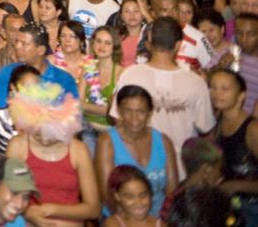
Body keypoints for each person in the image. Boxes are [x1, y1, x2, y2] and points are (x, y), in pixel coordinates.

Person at [111, 17, 215, 177]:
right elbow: (206, 128)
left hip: (137, 169)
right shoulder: (195, 82)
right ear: (178, 45)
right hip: (181, 170)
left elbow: (116, 118)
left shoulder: (130, 75)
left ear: (149, 42)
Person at [5, 81, 100, 225]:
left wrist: (51, 210)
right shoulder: (18, 146)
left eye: (49, 133)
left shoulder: (78, 150)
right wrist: (27, 212)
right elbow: (6, 195)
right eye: (37, 132)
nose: (43, 138)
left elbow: (93, 209)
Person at [94, 85, 177, 217]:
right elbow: (106, 195)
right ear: (119, 111)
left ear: (149, 113)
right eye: (128, 111)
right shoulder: (107, 142)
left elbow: (172, 193)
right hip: (119, 218)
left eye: (141, 111)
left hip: (158, 219)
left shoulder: (163, 141)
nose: (134, 118)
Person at [208, 68, 258, 223]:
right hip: (230, 204)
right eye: (213, 87)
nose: (217, 93)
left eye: (225, 88)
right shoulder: (219, 118)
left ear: (241, 96)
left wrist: (236, 185)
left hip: (252, 208)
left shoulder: (252, 129)